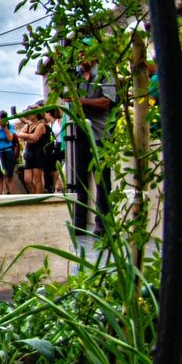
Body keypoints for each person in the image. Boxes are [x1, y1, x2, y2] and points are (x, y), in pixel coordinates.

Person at [70, 59, 117, 235]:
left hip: (100, 133)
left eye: (85, 51)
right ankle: (79, 223)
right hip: (81, 131)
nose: (81, 56)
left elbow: (106, 101)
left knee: (102, 180)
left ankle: (102, 224)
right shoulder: (77, 76)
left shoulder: (104, 73)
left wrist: (80, 101)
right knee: (80, 179)